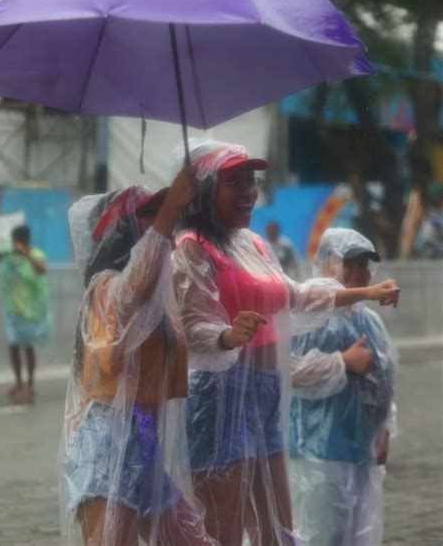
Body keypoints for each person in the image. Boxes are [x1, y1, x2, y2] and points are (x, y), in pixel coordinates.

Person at [171, 139, 400, 546]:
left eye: (252, 181)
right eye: (234, 182)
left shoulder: (254, 245)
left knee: (277, 528)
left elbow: (296, 296)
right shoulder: (191, 246)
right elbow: (188, 326)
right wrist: (225, 335)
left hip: (265, 394)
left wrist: (365, 293)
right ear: (204, 188)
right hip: (220, 396)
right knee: (222, 529)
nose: (248, 192)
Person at [59, 169, 218, 545]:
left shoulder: (158, 304)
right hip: (105, 443)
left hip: (145, 441)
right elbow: (135, 287)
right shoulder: (106, 289)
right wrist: (167, 217)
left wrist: (226, 337)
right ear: (119, 231)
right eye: (146, 214)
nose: (158, 221)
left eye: (160, 212)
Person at [289, 228, 397, 546]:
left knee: (357, 537)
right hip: (317, 455)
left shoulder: (370, 321)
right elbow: (284, 370)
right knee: (320, 538)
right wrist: (342, 361)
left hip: (361, 453)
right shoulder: (308, 314)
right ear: (325, 264)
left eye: (363, 264)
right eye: (347, 263)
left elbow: (384, 377)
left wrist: (384, 429)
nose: (356, 272)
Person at [0, 224, 51, 404]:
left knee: (27, 347)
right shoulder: (9, 255)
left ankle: (29, 384)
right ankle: (18, 383)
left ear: (23, 240)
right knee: (13, 346)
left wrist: (25, 253)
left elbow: (41, 268)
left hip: (30, 312)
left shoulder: (36, 253)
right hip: (13, 309)